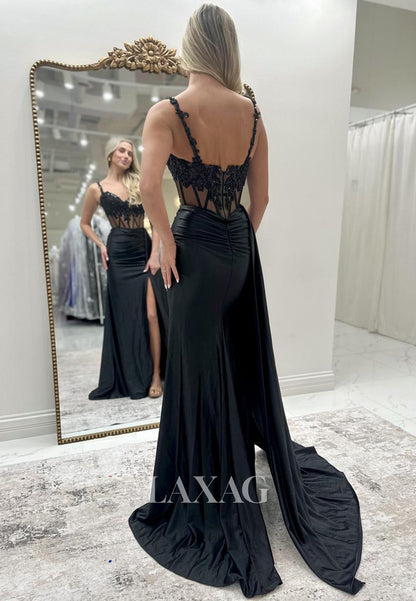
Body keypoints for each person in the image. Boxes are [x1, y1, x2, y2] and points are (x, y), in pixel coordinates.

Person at [128, 4, 365, 597]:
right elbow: (262, 200)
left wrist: (165, 238)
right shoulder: (251, 113)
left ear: (190, 47)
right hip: (239, 251)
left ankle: (204, 490)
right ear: (228, 49)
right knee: (234, 361)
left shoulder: (168, 111)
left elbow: (149, 182)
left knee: (195, 372)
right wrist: (236, 244)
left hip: (192, 253)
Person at [80, 137, 168, 400]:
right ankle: (132, 374)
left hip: (143, 251)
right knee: (126, 317)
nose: (127, 156)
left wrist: (155, 255)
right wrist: (100, 245)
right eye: (122, 151)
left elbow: (157, 221)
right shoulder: (96, 189)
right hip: (118, 254)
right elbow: (84, 223)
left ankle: (156, 375)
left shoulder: (140, 183)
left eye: (130, 152)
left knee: (152, 315)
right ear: (110, 155)